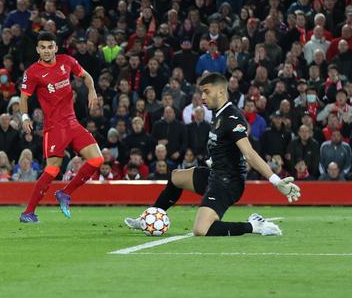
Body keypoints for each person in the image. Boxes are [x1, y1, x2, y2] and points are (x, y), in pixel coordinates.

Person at [124, 73, 300, 236]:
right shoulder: (217, 115)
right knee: (176, 177)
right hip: (215, 175)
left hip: (228, 183)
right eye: (202, 93)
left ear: (221, 92)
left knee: (201, 230)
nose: (203, 97)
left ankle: (255, 225)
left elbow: (249, 153)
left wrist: (276, 181)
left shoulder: (232, 118)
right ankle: (149, 217)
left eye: (207, 92)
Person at [19, 32, 104, 223]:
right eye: (43, 47)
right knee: (52, 170)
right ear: (38, 50)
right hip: (54, 128)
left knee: (97, 160)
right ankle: (28, 212)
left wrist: (92, 90)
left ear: (56, 48)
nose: (47, 51)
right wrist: (24, 117)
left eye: (50, 47)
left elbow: (86, 75)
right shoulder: (33, 72)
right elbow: (24, 98)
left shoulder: (67, 61)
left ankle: (65, 193)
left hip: (73, 123)